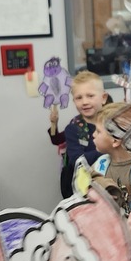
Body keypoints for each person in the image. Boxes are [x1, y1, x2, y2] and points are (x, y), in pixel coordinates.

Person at [49, 70, 108, 198]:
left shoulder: (112, 124)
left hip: (111, 184)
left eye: (90, 96)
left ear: (103, 98)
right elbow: (78, 160)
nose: (84, 102)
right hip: (85, 191)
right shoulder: (73, 129)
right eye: (79, 98)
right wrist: (107, 152)